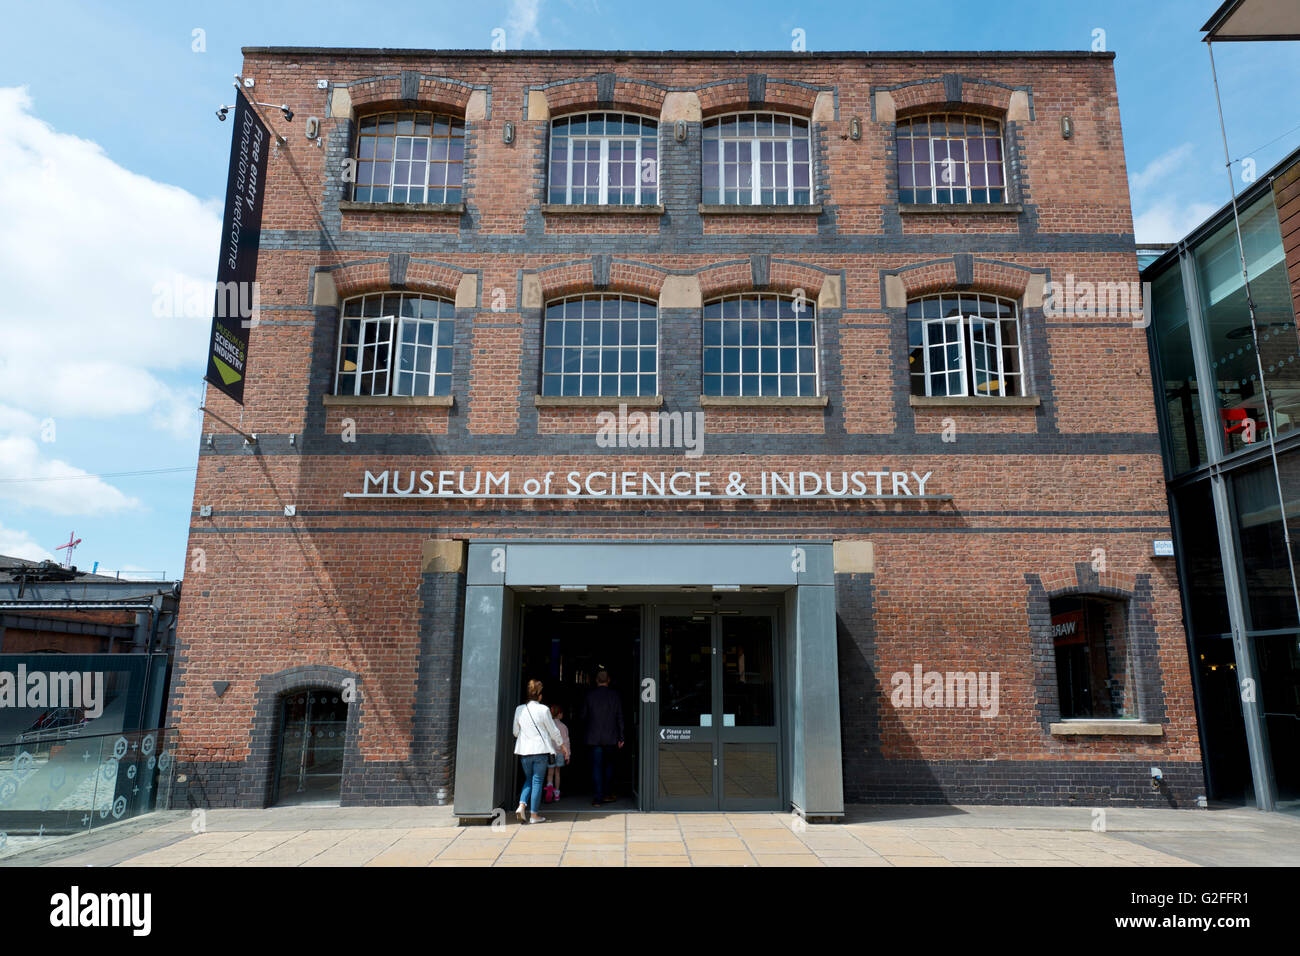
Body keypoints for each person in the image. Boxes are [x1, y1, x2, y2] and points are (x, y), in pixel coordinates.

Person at [513, 679, 568, 823]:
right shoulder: (544, 710)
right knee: (537, 781)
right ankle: (534, 815)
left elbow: (515, 732)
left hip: (524, 751)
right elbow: (553, 731)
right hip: (540, 751)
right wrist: (562, 746)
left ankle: (521, 804)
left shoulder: (520, 709)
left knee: (528, 779)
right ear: (540, 696)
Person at [579, 669, 624, 806]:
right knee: (609, 766)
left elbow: (583, 717)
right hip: (611, 737)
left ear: (596, 680)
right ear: (608, 680)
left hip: (593, 738)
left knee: (596, 767)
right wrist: (621, 736)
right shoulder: (615, 696)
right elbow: (620, 717)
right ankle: (607, 794)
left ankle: (598, 798)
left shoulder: (589, 696)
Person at [544, 704, 569, 803]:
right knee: (557, 773)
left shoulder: (548, 726)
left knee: (550, 773)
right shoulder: (563, 726)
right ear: (559, 714)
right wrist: (568, 754)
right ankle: (557, 794)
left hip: (550, 752)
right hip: (560, 752)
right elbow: (566, 741)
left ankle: (549, 787)